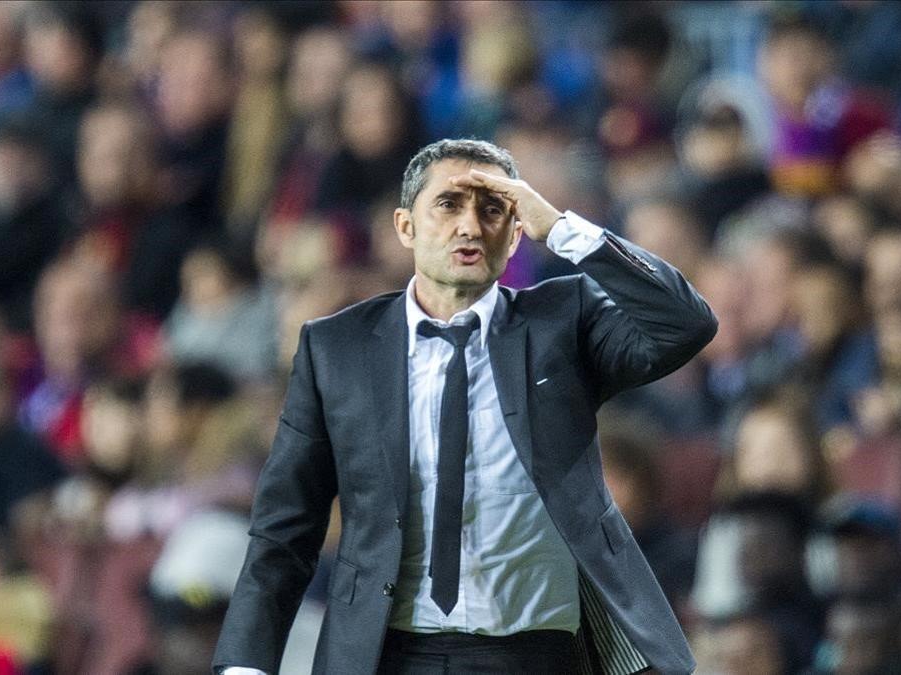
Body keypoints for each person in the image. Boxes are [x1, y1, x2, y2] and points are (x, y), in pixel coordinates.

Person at [213, 139, 717, 674]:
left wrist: (564, 230)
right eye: (449, 205)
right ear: (405, 226)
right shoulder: (337, 348)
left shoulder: (562, 320)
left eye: (494, 209)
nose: (471, 227)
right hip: (391, 655)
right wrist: (246, 665)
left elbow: (684, 324)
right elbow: (285, 526)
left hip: (538, 654)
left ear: (517, 229)